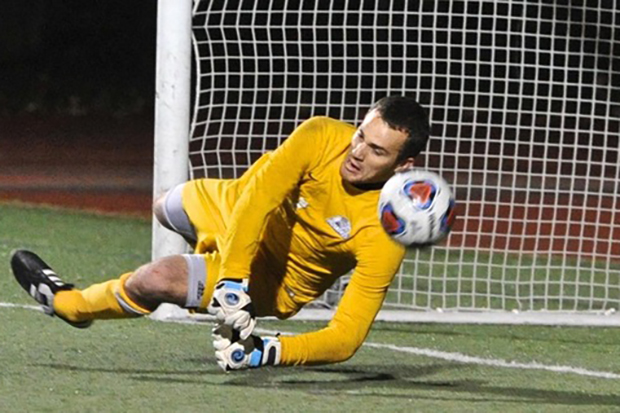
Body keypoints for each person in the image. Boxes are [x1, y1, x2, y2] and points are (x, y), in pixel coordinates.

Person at [11, 95, 430, 370]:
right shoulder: (321, 135)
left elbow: (345, 338)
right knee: (164, 206)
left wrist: (269, 351)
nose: (356, 152)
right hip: (237, 206)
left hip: (274, 279)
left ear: (402, 167)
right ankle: (210, 269)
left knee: (154, 279)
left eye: (376, 151)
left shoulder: (385, 232)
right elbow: (259, 200)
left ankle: (70, 305)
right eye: (360, 135)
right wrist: (231, 277)